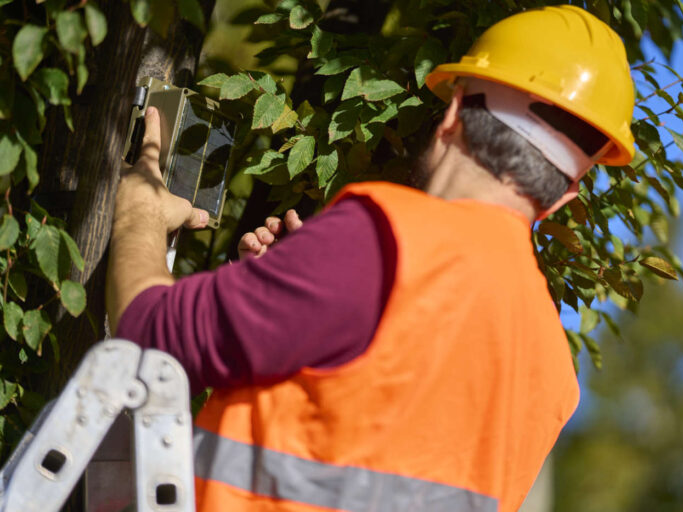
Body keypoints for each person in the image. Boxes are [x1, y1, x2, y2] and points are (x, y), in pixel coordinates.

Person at [107, 5, 635, 511]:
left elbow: (153, 338)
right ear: (565, 196)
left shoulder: (388, 239)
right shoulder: (552, 373)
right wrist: (301, 286)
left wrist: (140, 216)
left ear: (451, 113)